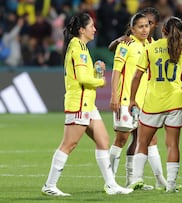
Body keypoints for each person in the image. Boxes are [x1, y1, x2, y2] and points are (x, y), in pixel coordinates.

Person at [41, 12, 133, 196]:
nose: (95, 29)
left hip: (88, 105)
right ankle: (49, 186)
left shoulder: (80, 46)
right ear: (82, 30)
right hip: (79, 104)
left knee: (103, 140)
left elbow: (83, 75)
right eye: (91, 26)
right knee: (69, 144)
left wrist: (96, 71)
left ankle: (111, 185)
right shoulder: (78, 48)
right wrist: (101, 80)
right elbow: (83, 79)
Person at [127, 16, 182, 192]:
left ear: (163, 30)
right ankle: (171, 185)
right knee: (172, 144)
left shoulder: (150, 49)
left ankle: (137, 179)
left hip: (153, 103)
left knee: (143, 141)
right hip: (175, 102)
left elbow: (136, 77)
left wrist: (133, 99)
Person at [109, 10, 167, 190]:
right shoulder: (126, 45)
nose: (145, 29)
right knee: (121, 139)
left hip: (144, 102)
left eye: (147, 26)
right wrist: (114, 96)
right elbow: (116, 71)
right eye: (140, 26)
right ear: (132, 29)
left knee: (150, 140)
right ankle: (110, 181)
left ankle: (136, 180)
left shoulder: (150, 45)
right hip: (126, 99)